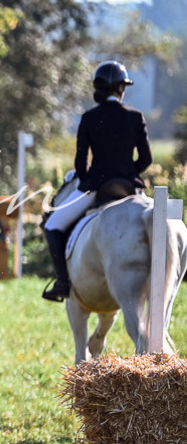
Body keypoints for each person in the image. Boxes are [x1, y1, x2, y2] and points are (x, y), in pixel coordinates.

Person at [42, 60, 152, 302]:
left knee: (52, 225)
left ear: (98, 88)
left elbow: (80, 164)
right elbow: (146, 159)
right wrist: (127, 172)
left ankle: (62, 283)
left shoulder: (89, 117)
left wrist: (92, 177)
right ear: (121, 89)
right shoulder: (136, 116)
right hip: (130, 187)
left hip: (97, 186)